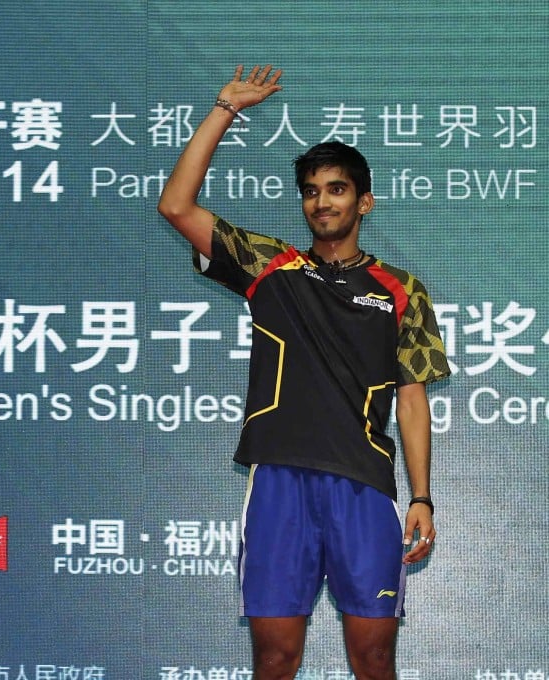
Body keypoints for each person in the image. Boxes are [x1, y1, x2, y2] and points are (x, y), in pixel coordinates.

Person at [157, 65, 450, 680]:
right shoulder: (272, 267)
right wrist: (225, 109)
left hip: (364, 487)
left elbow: (413, 400)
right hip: (280, 482)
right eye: (312, 191)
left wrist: (420, 495)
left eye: (337, 189)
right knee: (274, 658)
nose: (323, 201)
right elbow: (176, 205)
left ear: (363, 201)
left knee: (373, 658)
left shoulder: (401, 289)